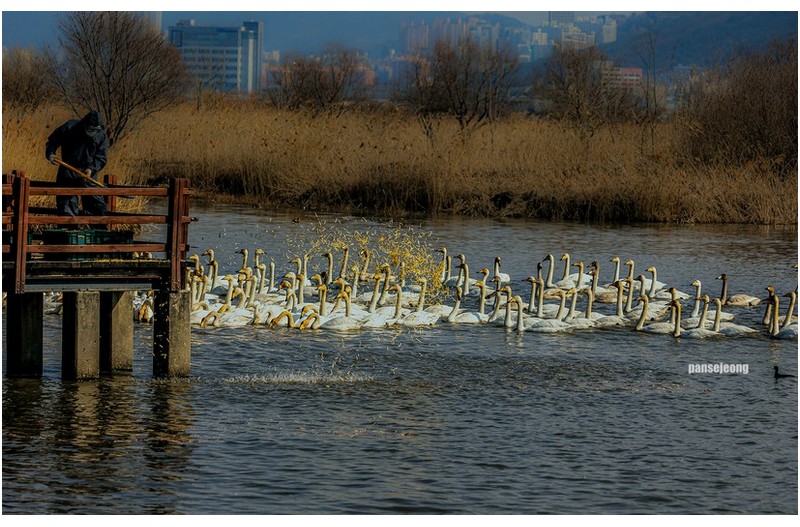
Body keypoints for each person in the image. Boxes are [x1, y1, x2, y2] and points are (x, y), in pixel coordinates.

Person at [45, 110, 109, 217]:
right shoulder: (70, 127)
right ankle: (70, 230)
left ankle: (98, 230)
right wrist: (51, 154)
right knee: (67, 206)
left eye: (96, 129)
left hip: (88, 173)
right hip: (68, 171)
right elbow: (52, 141)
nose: (93, 132)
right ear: (85, 125)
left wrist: (91, 169)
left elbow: (101, 157)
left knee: (96, 204)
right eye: (91, 129)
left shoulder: (101, 136)